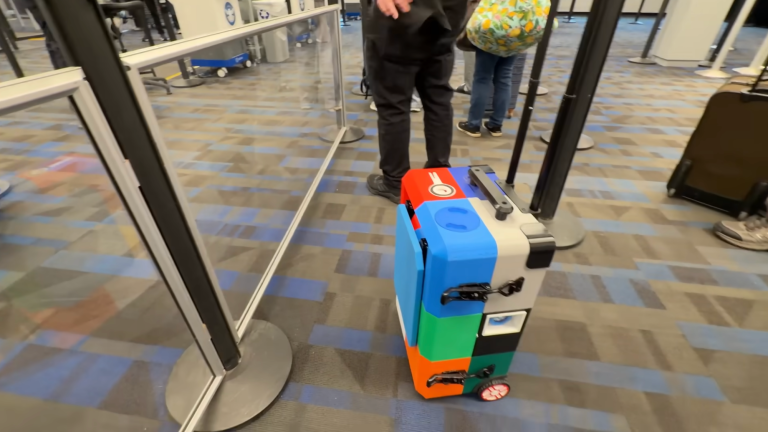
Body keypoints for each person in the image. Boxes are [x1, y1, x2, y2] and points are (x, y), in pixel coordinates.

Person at [365, 0, 468, 203]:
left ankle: (395, 182)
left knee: (393, 106)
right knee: (438, 99)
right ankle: (439, 173)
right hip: (446, 17)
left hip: (399, 19)